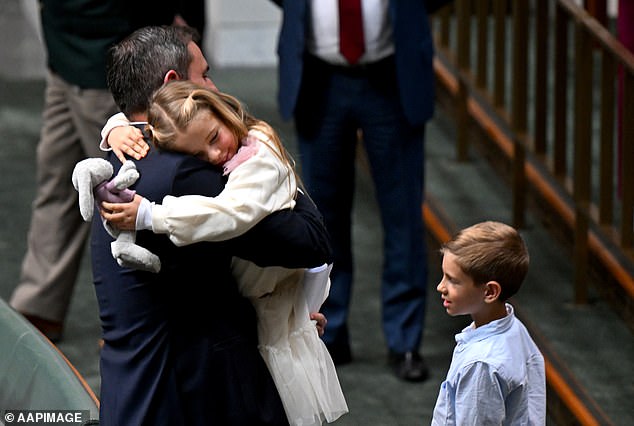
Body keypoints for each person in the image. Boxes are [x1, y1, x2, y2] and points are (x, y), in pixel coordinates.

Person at [93, 25, 332, 425]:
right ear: (175, 82)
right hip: (195, 394)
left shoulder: (120, 154)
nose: (214, 86)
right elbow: (309, 241)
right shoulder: (190, 174)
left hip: (132, 384)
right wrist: (278, 169)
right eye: (204, 74)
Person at [267, 0, 452, 381]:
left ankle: (404, 341)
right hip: (319, 79)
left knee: (402, 214)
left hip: (391, 77)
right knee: (321, 216)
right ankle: (328, 332)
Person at [9, 0, 201, 342]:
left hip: (111, 61)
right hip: (65, 56)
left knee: (128, 194)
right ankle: (40, 305)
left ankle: (135, 317)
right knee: (60, 184)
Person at [432, 221, 546, 425]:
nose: (441, 287)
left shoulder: (482, 365)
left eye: (453, 280)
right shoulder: (514, 327)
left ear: (490, 292)